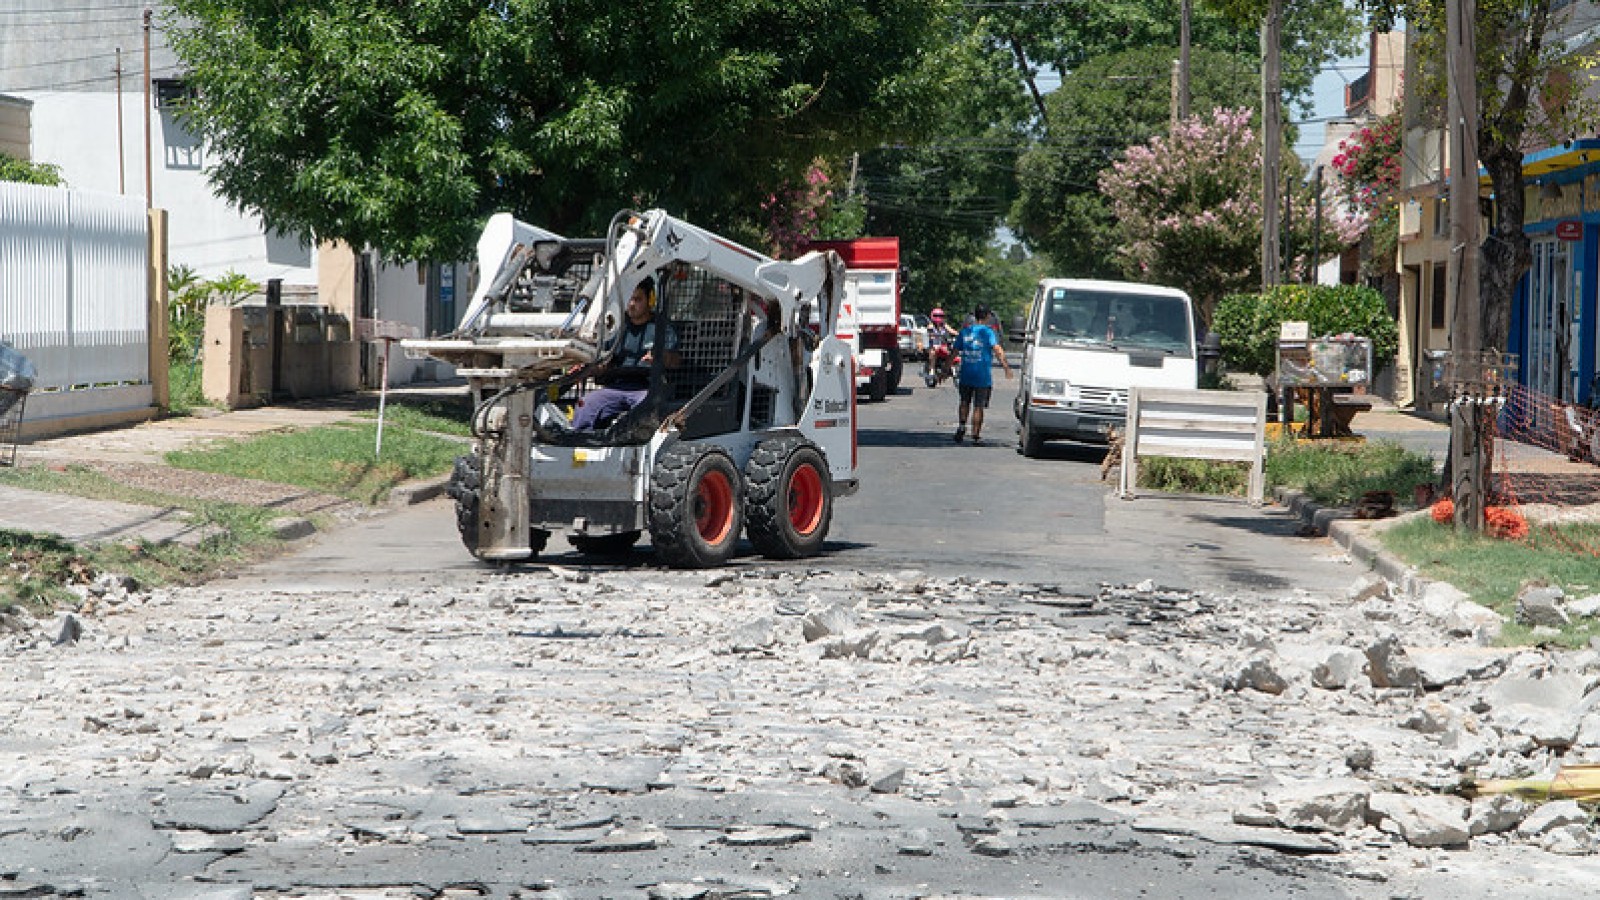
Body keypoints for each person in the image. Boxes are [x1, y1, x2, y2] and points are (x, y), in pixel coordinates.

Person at [572, 277, 680, 429]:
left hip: (648, 388)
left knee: (645, 409)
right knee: (586, 404)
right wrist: (584, 369)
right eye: (629, 299)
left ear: (650, 300)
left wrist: (660, 357)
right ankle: (581, 442)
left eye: (637, 299)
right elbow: (603, 363)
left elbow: (675, 361)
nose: (631, 304)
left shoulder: (662, 327)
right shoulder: (614, 327)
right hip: (616, 387)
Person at [953, 304, 1012, 445]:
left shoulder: (965, 332)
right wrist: (1006, 367)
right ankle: (975, 435)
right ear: (987, 316)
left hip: (966, 373)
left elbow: (954, 352)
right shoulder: (988, 332)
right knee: (978, 406)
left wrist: (944, 370)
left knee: (964, 401)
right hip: (982, 376)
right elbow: (997, 349)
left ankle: (962, 426)